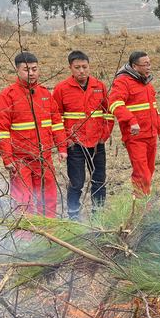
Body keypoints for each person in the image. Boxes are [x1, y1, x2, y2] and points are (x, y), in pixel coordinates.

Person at [0, 52, 66, 217]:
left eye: (34, 69)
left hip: (44, 157)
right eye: (27, 70)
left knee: (48, 198)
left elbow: (56, 122)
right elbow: (1, 130)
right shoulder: (7, 96)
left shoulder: (45, 95)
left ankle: (49, 234)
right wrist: (7, 158)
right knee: (23, 200)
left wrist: (62, 147)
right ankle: (25, 239)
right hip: (20, 160)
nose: (32, 73)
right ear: (17, 70)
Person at [52, 50, 114, 220]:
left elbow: (108, 112)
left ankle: (98, 215)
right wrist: (66, 142)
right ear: (70, 68)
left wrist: (104, 135)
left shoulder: (99, 86)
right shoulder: (61, 89)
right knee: (76, 183)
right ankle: (73, 216)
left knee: (99, 180)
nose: (81, 71)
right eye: (77, 67)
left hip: (96, 143)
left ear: (89, 67)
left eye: (84, 67)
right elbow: (56, 117)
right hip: (75, 144)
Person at [108, 51, 160, 195]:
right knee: (142, 174)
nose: (148, 67)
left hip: (151, 135)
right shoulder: (122, 82)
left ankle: (144, 201)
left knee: (149, 172)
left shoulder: (147, 84)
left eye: (149, 63)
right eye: (145, 64)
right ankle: (140, 207)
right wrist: (131, 120)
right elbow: (114, 104)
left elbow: (154, 109)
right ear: (134, 66)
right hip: (135, 137)